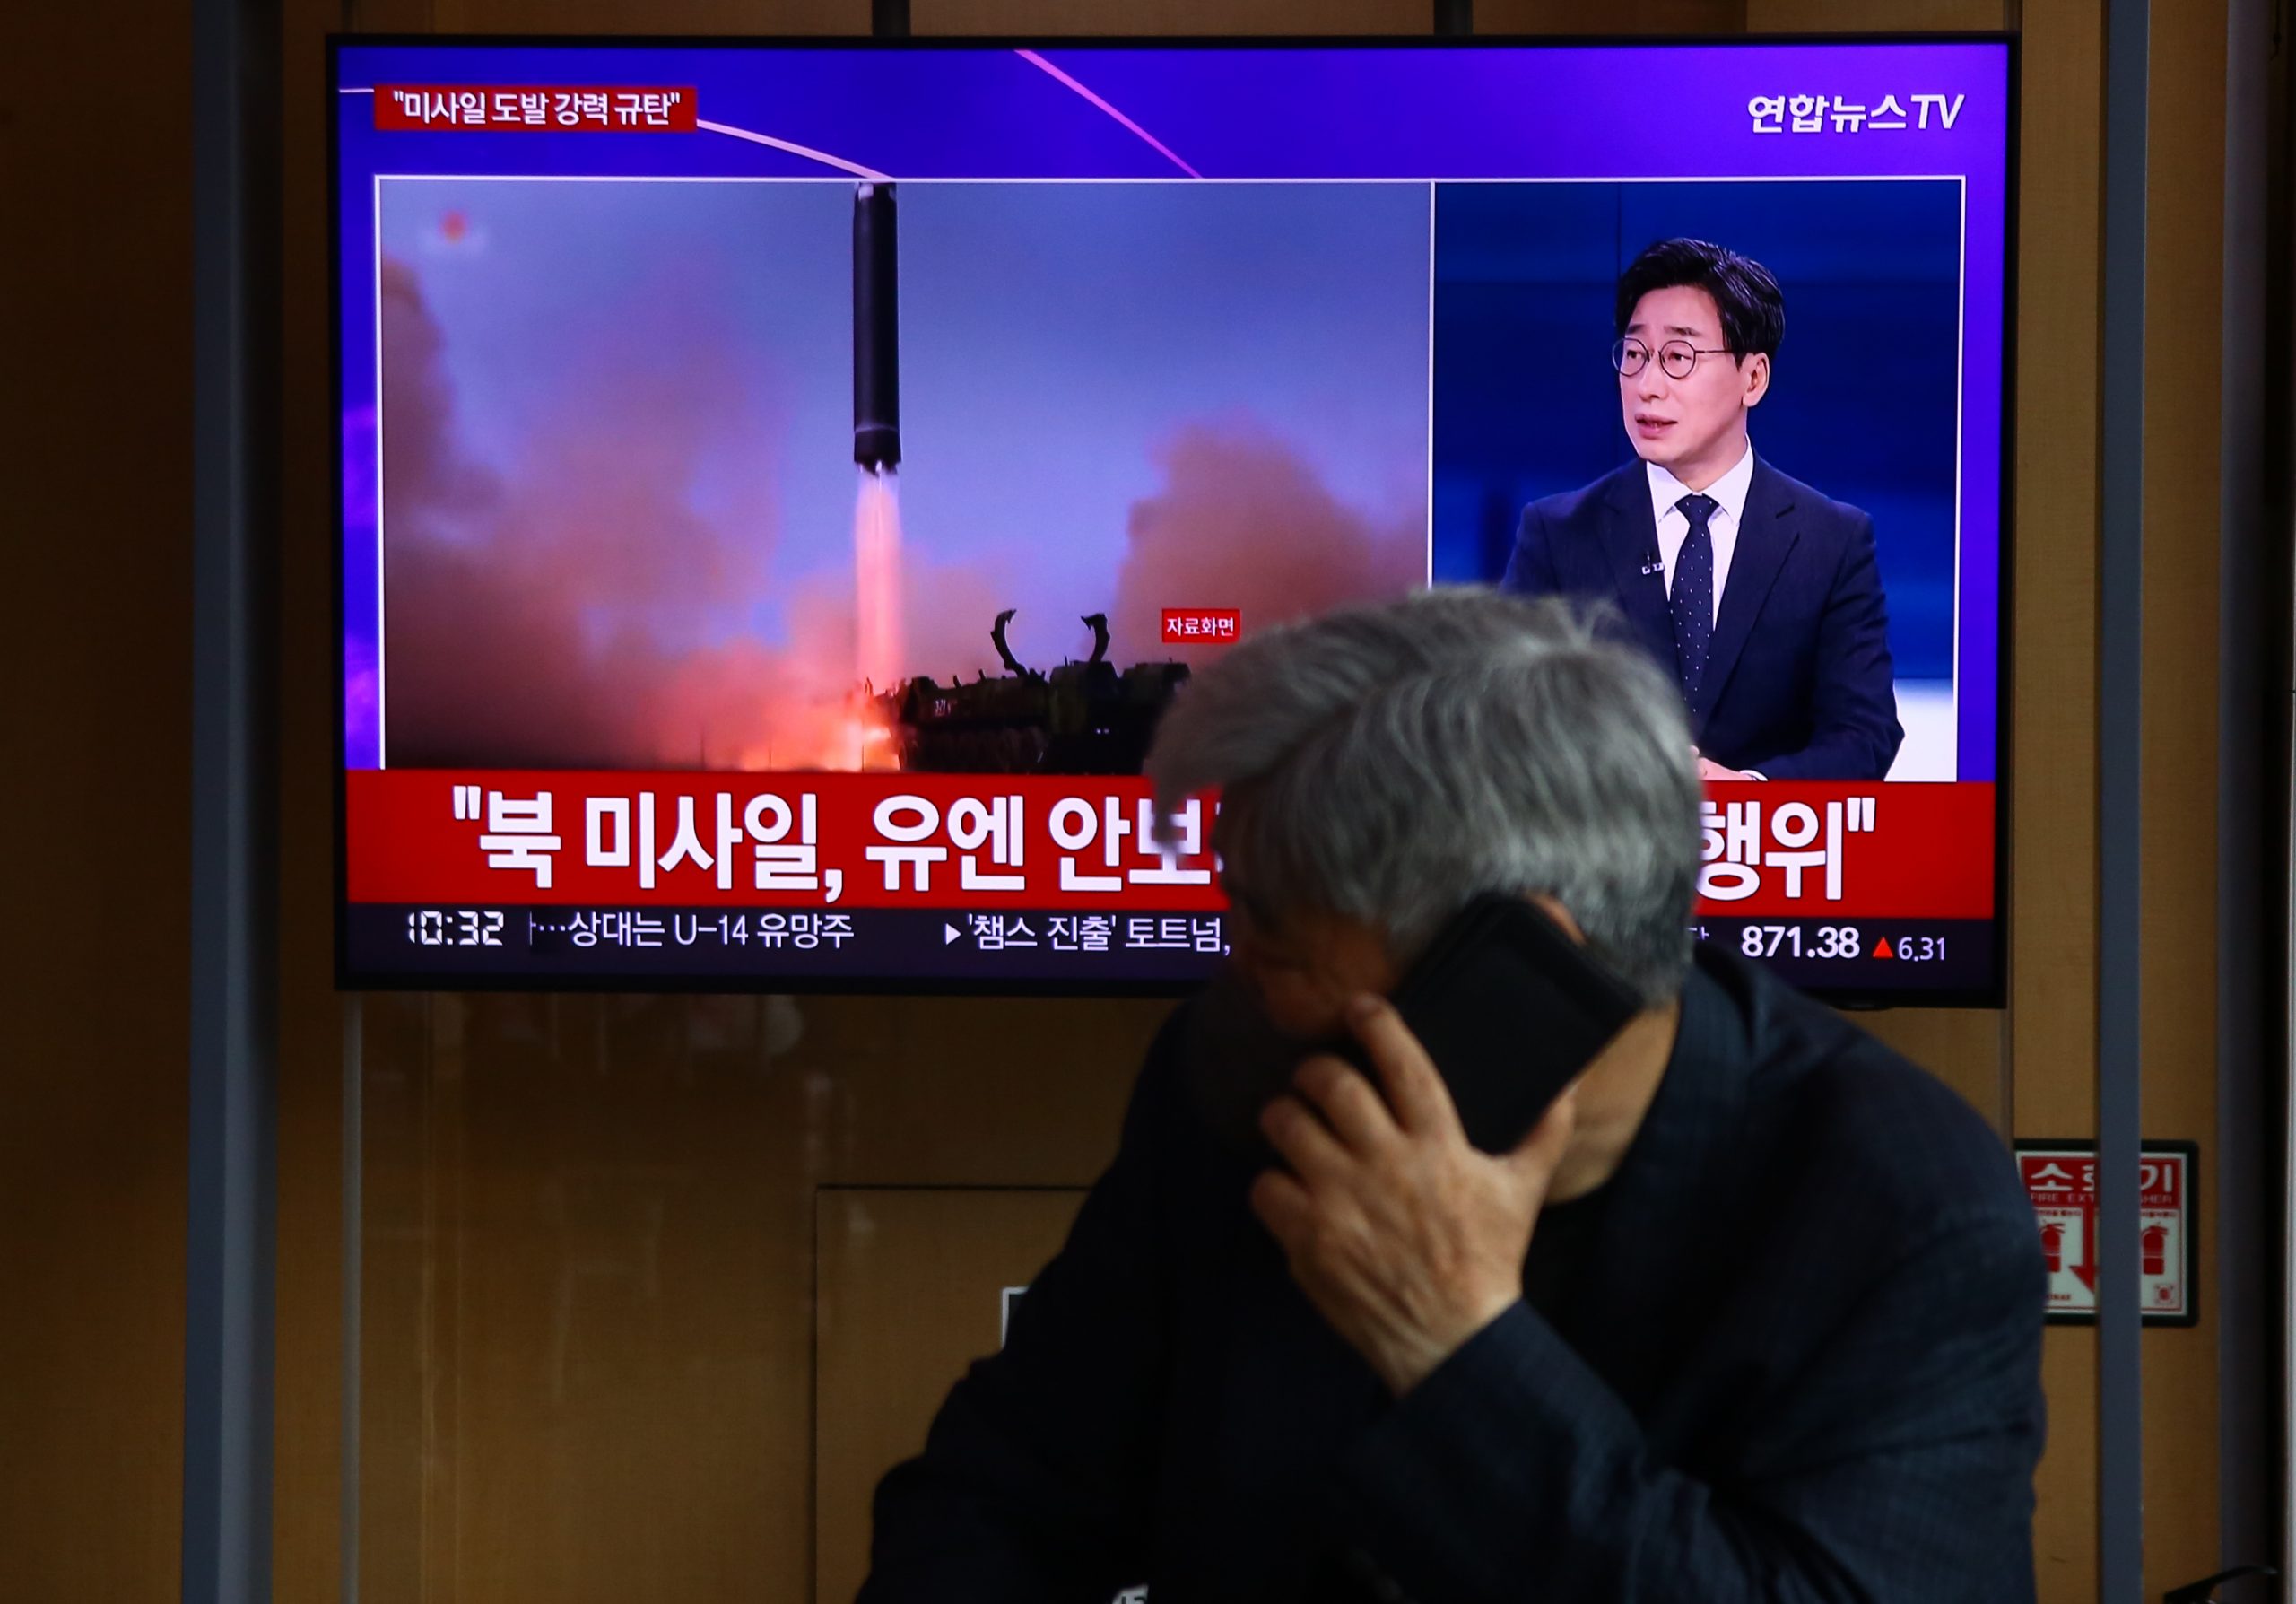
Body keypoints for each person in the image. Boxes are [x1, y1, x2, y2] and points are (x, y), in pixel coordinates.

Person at [859, 589, 2044, 1603]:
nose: (1237, 973)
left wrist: (1458, 1351)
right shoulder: (1238, 1076)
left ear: (1514, 971)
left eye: (1277, 937)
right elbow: (995, 1500)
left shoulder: (1905, 1212)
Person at [1503, 237, 1904, 782]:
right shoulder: (1557, 535)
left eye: (1678, 357)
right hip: (1606, 831)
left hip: (1771, 833)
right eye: (1635, 355)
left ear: (1753, 378)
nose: (1647, 386)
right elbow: (1507, 721)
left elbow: (1864, 734)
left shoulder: (1832, 541)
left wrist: (1747, 795)